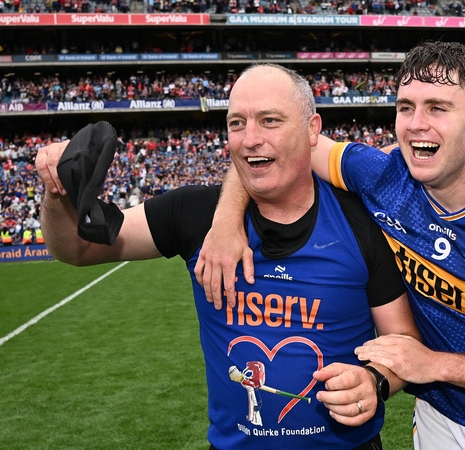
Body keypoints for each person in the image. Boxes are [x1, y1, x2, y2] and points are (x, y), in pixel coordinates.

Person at [198, 43, 465, 449]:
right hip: (444, 414)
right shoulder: (380, 176)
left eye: (437, 108)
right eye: (406, 108)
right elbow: (271, 145)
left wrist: (433, 364)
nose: (416, 124)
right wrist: (226, 218)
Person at [35, 64, 420, 450]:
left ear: (312, 129)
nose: (250, 139)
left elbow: (402, 337)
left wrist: (375, 380)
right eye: (237, 123)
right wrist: (58, 192)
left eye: (270, 120)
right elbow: (77, 248)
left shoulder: (360, 220)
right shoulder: (193, 213)